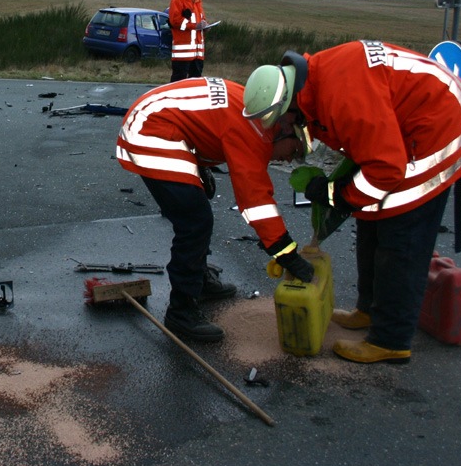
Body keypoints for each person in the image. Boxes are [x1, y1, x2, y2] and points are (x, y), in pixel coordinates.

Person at [243, 40, 461, 364]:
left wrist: (338, 196)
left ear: (290, 103)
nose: (285, 129)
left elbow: (386, 169)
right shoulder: (316, 88)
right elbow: (368, 151)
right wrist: (346, 197)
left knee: (400, 231)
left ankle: (391, 339)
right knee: (371, 216)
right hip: (408, 131)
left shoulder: (341, 97)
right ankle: (368, 309)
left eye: (281, 121)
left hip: (440, 127)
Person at [116, 76, 315, 341]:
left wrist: (200, 165)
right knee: (195, 221)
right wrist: (287, 255)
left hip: (157, 119)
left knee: (196, 210)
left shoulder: (259, 108)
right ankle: (181, 313)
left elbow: (206, 123)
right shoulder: (254, 133)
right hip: (149, 131)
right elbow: (256, 203)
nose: (290, 158)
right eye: (295, 149)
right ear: (285, 127)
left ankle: (198, 282)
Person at [168, 0, 212, 82]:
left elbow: (201, 19)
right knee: (178, 85)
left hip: (198, 54)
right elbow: (175, 22)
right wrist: (195, 26)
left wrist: (205, 26)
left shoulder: (197, 1)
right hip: (182, 55)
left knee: (195, 86)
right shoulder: (177, 0)